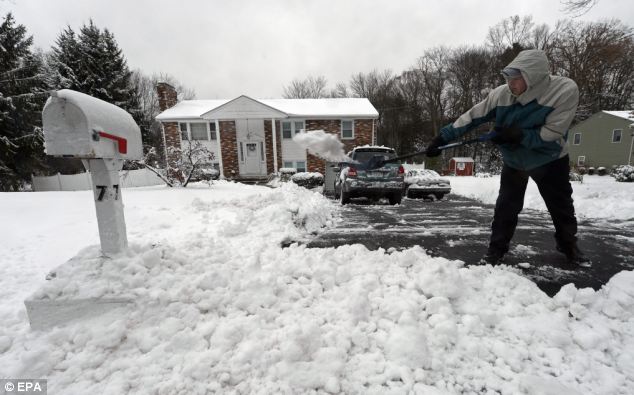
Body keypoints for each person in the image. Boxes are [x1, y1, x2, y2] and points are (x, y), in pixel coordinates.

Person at [426, 49, 589, 266]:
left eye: (517, 78)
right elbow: (473, 116)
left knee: (561, 206)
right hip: (515, 161)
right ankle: (496, 249)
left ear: (533, 77)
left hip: (549, 158)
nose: (511, 83)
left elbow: (554, 131)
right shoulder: (501, 94)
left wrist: (518, 134)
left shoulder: (563, 90)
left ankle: (568, 244)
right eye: (509, 78)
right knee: (506, 207)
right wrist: (442, 138)